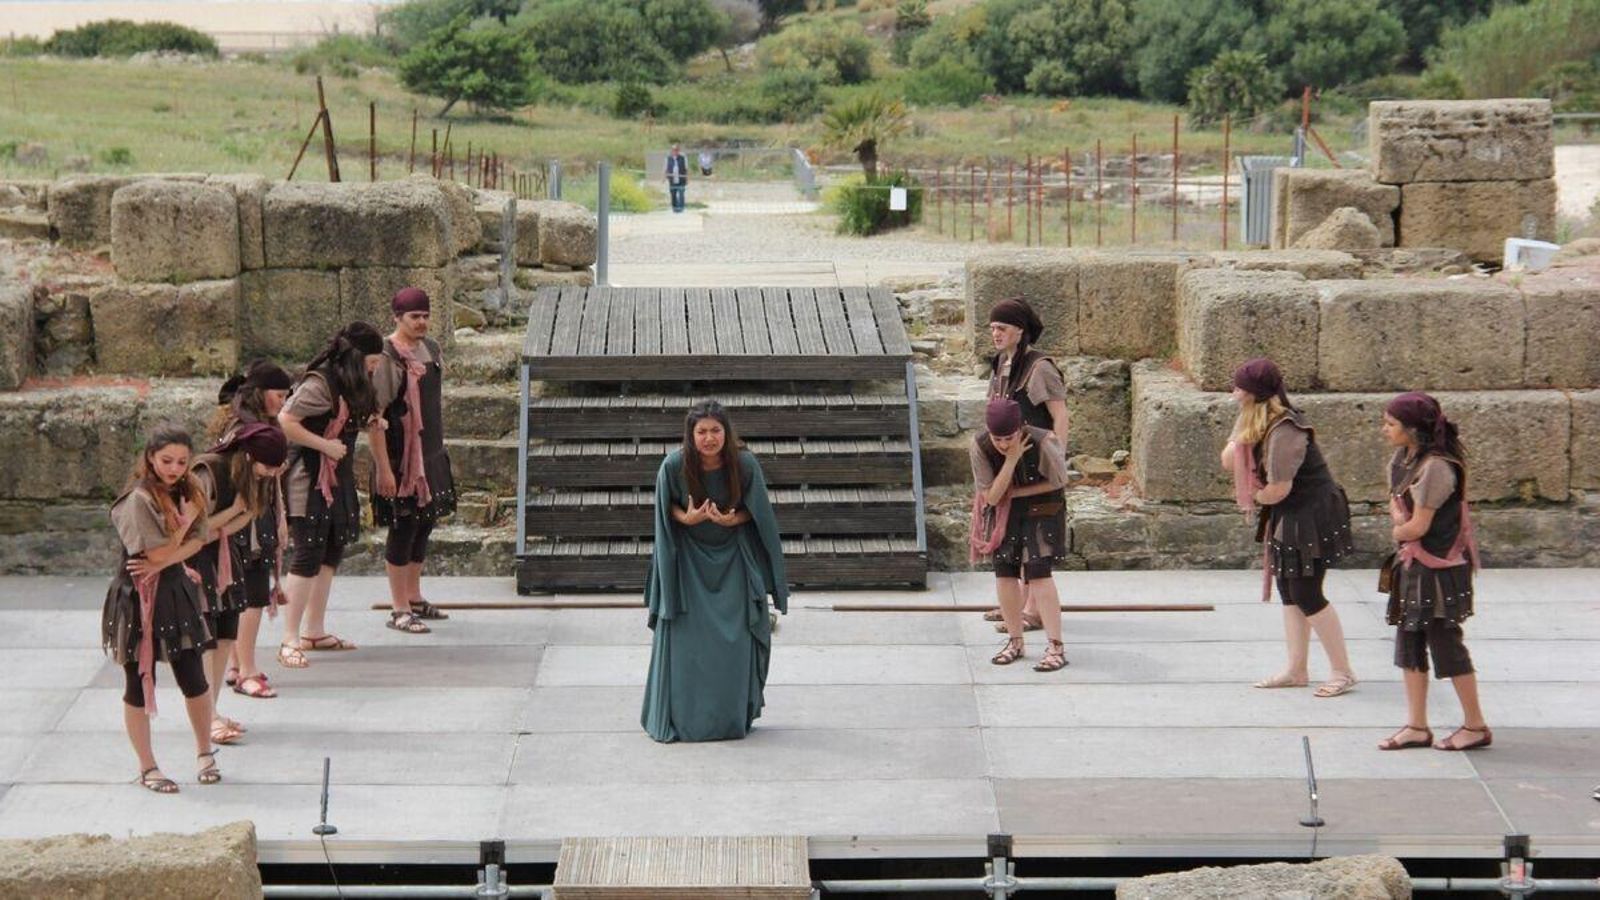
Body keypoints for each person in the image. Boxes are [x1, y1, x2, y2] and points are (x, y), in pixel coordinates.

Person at [641, 401, 788, 743]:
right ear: (691, 436)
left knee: (734, 641)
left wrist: (731, 519)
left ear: (727, 432)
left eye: (716, 430)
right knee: (689, 643)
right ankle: (686, 719)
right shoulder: (674, 464)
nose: (709, 438)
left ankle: (729, 717)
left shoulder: (745, 463)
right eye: (702, 431)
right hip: (688, 560)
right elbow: (666, 511)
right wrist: (687, 518)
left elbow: (758, 513)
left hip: (733, 556)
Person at [1220, 358, 1357, 698]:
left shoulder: (1285, 431)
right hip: (1290, 512)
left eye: (1240, 388)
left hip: (1312, 514)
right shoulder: (1255, 419)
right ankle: (1297, 669)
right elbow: (1228, 460)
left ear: (1254, 393)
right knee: (1289, 591)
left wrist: (1254, 493)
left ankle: (1343, 671)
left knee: (1308, 593)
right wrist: (1241, 435)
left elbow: (1278, 489)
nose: (1234, 393)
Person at [101, 424, 220, 793]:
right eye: (167, 460)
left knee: (194, 678)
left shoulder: (186, 490)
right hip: (137, 597)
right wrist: (182, 530)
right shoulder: (137, 500)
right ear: (150, 458)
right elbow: (157, 552)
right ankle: (148, 766)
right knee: (137, 682)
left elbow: (199, 542)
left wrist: (168, 554)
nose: (174, 468)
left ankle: (205, 753)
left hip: (173, 588)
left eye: (182, 462)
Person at [1377, 392, 1490, 752]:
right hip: (1413, 567)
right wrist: (1401, 525)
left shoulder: (1437, 467)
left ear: (1412, 429)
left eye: (1391, 424)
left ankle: (1475, 726)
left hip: (1439, 570)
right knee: (1409, 641)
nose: (1385, 430)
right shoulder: (1403, 459)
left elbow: (1416, 527)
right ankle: (1416, 726)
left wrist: (1397, 528)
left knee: (1445, 643)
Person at [276, 322, 385, 669]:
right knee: (308, 553)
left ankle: (314, 630)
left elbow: (348, 419)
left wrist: (372, 424)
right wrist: (324, 444)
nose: (376, 367)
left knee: (331, 550)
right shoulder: (319, 383)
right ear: (357, 357)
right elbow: (285, 420)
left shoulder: (351, 382)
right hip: (309, 475)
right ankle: (289, 638)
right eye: (373, 360)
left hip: (336, 473)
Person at [189, 423, 288, 746]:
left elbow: (243, 520)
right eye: (269, 466)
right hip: (196, 562)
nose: (272, 474)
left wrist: (238, 516)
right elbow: (194, 530)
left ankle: (212, 711)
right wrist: (234, 511)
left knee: (224, 636)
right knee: (205, 642)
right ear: (248, 457)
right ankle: (207, 719)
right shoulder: (211, 471)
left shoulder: (257, 476)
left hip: (226, 558)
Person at [368, 287, 457, 634]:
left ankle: (415, 595)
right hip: (400, 458)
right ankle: (399, 607)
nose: (420, 322)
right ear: (397, 318)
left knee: (424, 525)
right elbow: (374, 418)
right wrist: (384, 469)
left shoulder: (431, 349)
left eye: (424, 316)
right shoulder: (387, 358)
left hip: (430, 454)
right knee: (403, 528)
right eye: (413, 317)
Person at [208, 360, 294, 700]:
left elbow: (272, 482)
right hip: (246, 521)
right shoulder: (244, 429)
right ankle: (246, 670)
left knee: (242, 598)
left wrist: (281, 517)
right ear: (260, 393)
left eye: (287, 395)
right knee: (251, 599)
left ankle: (235, 664)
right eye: (278, 394)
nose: (283, 401)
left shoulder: (246, 423)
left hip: (259, 514)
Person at [982, 298, 1068, 634]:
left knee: (1036, 543)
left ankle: (1033, 610)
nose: (996, 334)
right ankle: (1014, 604)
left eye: (1001, 328)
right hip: (1010, 461)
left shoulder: (1039, 367)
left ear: (1020, 330)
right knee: (1013, 536)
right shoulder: (1001, 364)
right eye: (992, 329)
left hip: (1036, 463)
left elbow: (1059, 414)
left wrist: (1055, 459)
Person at [970, 397, 1069, 672]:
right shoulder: (980, 445)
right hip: (1004, 510)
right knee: (1004, 571)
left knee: (1038, 571)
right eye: (997, 438)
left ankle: (1055, 645)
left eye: (1009, 438)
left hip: (1043, 507)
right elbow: (991, 496)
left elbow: (1059, 480)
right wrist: (1011, 459)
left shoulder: (1043, 441)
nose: (1002, 444)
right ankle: (1015, 641)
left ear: (1021, 428)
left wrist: (1018, 492)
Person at [665, 143, 688, 213]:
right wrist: (664, 177)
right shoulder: (668, 158)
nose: (675, 151)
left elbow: (686, 169)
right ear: (671, 151)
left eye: (676, 150)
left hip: (681, 179)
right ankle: (674, 208)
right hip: (672, 180)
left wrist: (687, 179)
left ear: (678, 150)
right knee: (673, 194)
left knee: (681, 194)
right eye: (673, 150)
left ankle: (681, 208)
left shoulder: (683, 158)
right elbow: (665, 169)